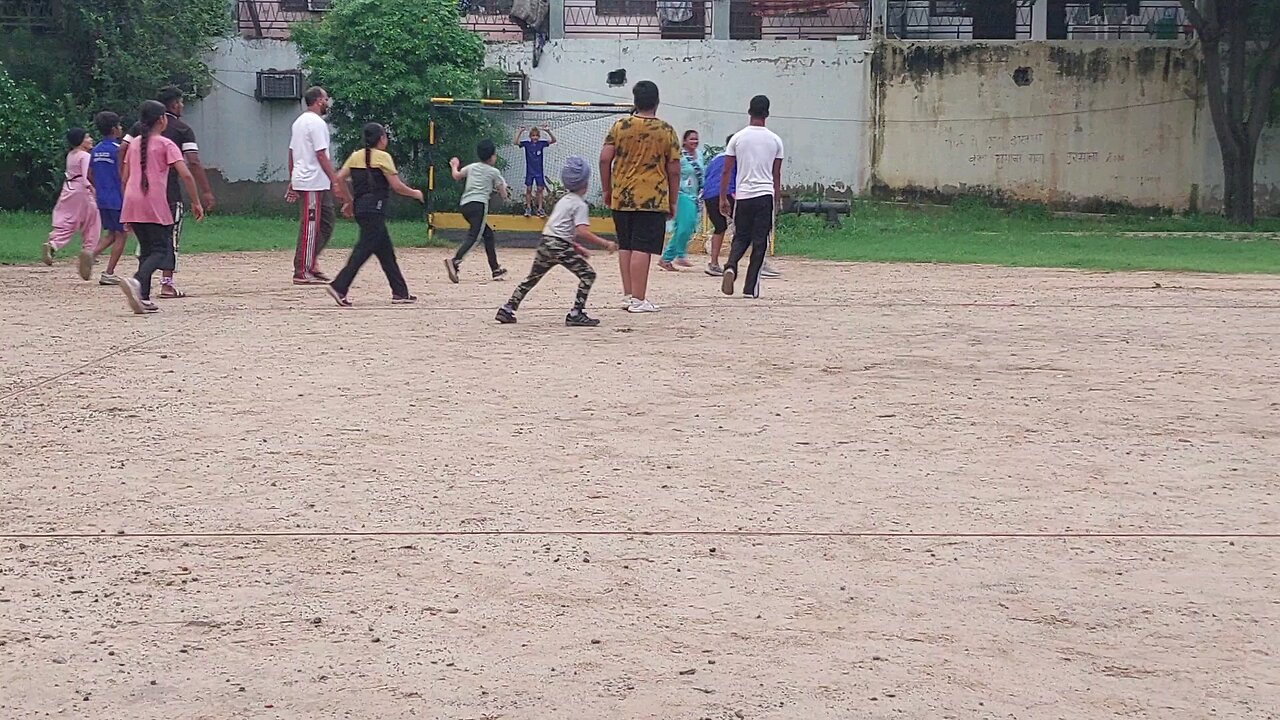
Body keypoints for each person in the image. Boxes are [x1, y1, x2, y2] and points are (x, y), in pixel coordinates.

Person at [496, 156, 617, 327]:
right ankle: (576, 313)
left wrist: (576, 247)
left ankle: (508, 308)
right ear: (585, 183)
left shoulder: (564, 201)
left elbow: (560, 229)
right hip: (559, 246)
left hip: (546, 243)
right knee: (588, 275)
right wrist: (606, 243)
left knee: (532, 278)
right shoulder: (580, 205)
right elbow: (581, 231)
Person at [600, 80, 679, 314]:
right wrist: (673, 199)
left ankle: (628, 295)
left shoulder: (620, 126)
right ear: (657, 101)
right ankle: (639, 299)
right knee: (642, 247)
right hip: (652, 198)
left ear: (635, 102)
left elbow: (605, 159)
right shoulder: (665, 130)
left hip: (622, 195)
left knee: (626, 245)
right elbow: (674, 168)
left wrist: (607, 189)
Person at [118, 100, 204, 314]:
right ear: (161, 120)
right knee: (161, 249)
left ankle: (143, 297)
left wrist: (126, 206)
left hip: (132, 199)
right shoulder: (166, 144)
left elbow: (125, 177)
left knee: (147, 249)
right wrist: (196, 201)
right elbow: (185, 174)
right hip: (153, 200)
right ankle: (136, 281)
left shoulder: (135, 143)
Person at [325, 122, 421, 307]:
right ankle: (339, 286)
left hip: (362, 208)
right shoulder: (383, 157)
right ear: (381, 138)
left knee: (385, 252)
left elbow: (339, 178)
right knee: (363, 250)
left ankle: (400, 292)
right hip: (375, 208)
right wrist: (415, 193)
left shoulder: (355, 156)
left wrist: (349, 200)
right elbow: (396, 186)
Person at [148, 85, 216, 298]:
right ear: (175, 104)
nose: (183, 105)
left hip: (143, 192)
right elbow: (193, 163)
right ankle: (167, 283)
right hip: (169, 192)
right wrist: (205, 191)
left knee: (147, 236)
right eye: (181, 102)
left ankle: (142, 280)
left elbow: (124, 150)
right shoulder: (182, 129)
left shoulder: (139, 130)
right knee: (170, 235)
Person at [720, 95, 784, 299]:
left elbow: (726, 171)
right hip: (764, 194)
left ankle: (731, 264)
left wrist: (723, 197)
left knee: (740, 236)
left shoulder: (738, 138)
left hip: (744, 195)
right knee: (760, 242)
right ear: (767, 113)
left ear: (749, 112)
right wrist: (776, 199)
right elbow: (776, 174)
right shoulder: (775, 140)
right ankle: (750, 287)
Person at [287, 86, 350, 285]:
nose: (327, 102)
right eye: (325, 99)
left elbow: (292, 153)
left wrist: (292, 177)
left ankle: (310, 262)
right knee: (311, 226)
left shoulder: (300, 122)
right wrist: (335, 181)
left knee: (327, 223)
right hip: (311, 182)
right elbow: (320, 154)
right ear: (318, 101)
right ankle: (302, 270)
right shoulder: (315, 123)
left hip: (314, 181)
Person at [445, 139, 509, 283]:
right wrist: (504, 195)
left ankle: (495, 269)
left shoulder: (472, 167)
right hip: (479, 205)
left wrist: (454, 165)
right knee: (474, 237)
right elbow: (502, 191)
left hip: (465, 205)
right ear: (492, 156)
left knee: (488, 234)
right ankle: (455, 261)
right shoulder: (494, 172)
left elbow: (456, 176)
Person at [43, 128, 100, 272]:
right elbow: (87, 175)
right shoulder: (85, 156)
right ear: (80, 140)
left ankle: (53, 244)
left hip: (69, 188)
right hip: (82, 190)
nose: (91, 139)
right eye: (87, 137)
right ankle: (88, 251)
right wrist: (94, 189)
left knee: (68, 220)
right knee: (92, 221)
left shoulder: (71, 155)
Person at [87, 112, 129, 285]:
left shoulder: (95, 150)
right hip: (118, 197)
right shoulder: (118, 150)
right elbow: (123, 174)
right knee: (122, 234)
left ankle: (90, 255)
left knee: (112, 233)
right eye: (119, 126)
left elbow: (89, 174)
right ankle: (109, 272)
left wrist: (99, 187)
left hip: (102, 198)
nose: (121, 128)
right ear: (114, 129)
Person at [659, 129, 703, 271]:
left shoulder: (699, 155)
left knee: (685, 227)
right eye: (691, 139)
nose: (694, 142)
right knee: (686, 226)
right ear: (684, 141)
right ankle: (680, 255)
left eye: (696, 139)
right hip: (681, 194)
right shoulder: (679, 156)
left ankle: (666, 258)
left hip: (694, 195)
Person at [701, 135, 735, 277]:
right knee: (744, 226)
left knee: (720, 227)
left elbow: (706, 176)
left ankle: (713, 263)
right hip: (728, 193)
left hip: (709, 195)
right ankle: (734, 264)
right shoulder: (736, 158)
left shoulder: (715, 159)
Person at [515, 125, 556, 217]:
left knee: (539, 189)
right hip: (530, 171)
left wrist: (548, 131)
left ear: (539, 136)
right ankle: (528, 208)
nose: (535, 137)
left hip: (539, 171)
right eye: (533, 136)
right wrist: (520, 132)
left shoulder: (541, 144)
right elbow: (516, 142)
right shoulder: (527, 144)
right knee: (529, 189)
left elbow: (553, 140)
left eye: (536, 136)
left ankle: (540, 209)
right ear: (530, 137)